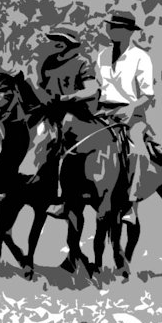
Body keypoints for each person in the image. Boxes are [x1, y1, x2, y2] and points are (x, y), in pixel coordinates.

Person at [94, 10, 155, 225]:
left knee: (136, 148)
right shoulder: (102, 55)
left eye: (117, 27)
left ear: (129, 32)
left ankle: (131, 204)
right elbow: (99, 88)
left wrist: (130, 109)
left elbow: (147, 95)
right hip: (102, 111)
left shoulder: (141, 57)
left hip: (131, 113)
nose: (112, 30)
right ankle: (65, 196)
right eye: (110, 26)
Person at [33, 25, 99, 218]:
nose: (56, 42)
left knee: (61, 141)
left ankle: (62, 198)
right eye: (54, 39)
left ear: (70, 43)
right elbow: (42, 87)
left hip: (75, 113)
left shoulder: (82, 63)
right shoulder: (49, 62)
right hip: (51, 110)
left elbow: (92, 89)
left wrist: (68, 97)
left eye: (60, 39)